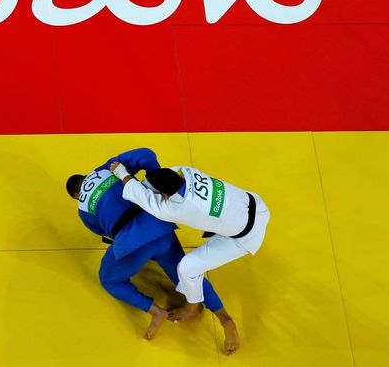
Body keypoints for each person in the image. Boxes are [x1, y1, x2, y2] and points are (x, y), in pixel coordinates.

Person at [67, 148, 240, 354]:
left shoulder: (83, 210)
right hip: (158, 224)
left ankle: (155, 311)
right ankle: (225, 318)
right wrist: (156, 186)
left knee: (109, 279)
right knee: (187, 275)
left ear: (77, 195)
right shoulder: (107, 168)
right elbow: (145, 154)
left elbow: (104, 232)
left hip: (133, 243)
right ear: (86, 176)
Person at [109, 158, 270, 334]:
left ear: (165, 195)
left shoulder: (179, 209)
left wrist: (121, 172)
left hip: (244, 237)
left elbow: (140, 195)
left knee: (188, 268)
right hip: (254, 205)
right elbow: (154, 183)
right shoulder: (185, 171)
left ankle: (199, 310)